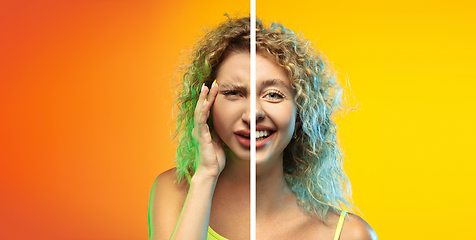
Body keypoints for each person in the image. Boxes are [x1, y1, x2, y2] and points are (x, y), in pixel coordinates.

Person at [148, 15, 377, 240]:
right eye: (233, 93)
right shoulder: (174, 193)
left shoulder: (349, 235)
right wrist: (206, 175)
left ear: (300, 114)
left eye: (274, 95)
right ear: (208, 106)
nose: (253, 114)